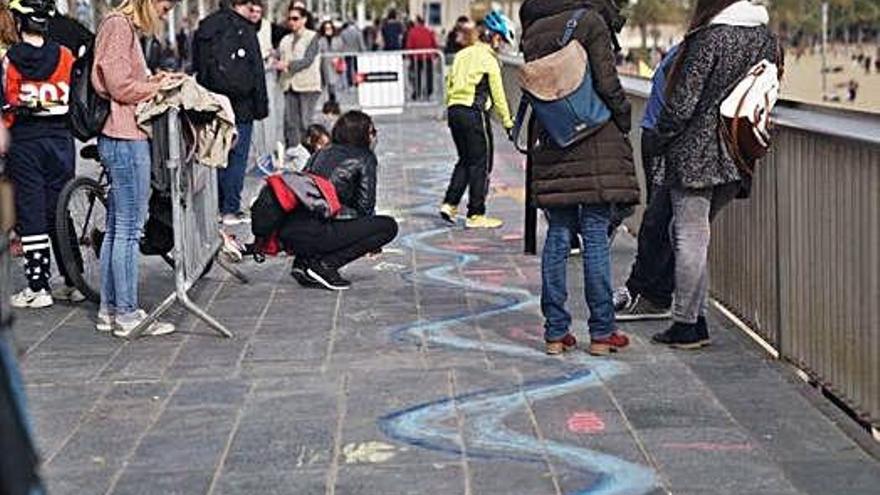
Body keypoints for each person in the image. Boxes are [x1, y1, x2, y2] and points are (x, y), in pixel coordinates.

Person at [646, 0, 780, 349]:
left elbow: (682, 104)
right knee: (693, 234)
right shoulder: (766, 39)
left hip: (695, 154)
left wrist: (659, 138)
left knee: (689, 235)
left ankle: (687, 324)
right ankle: (696, 317)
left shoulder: (708, 38)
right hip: (737, 152)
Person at [520, 0, 639, 356]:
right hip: (594, 137)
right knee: (594, 234)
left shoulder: (534, 29)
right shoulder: (589, 21)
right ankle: (602, 331)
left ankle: (555, 332)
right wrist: (622, 118)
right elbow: (607, 82)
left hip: (553, 139)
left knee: (558, 233)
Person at [92, 0, 179, 337]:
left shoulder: (119, 25)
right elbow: (119, 85)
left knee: (118, 228)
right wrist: (158, 88)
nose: (164, 13)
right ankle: (127, 313)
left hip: (121, 135)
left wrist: (151, 79)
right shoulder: (118, 25)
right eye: (164, 6)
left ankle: (110, 309)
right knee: (128, 230)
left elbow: (124, 79)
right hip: (124, 136)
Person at [4, 0, 82, 309]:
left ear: (20, 22)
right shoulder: (65, 55)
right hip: (61, 140)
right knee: (59, 208)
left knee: (31, 211)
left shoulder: (8, 60)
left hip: (24, 141)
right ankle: (74, 279)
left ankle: (38, 285)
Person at [281, 111, 398, 290]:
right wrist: (370, 239)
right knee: (387, 226)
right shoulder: (365, 158)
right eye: (372, 132)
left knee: (327, 217)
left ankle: (304, 262)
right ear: (363, 135)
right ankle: (325, 265)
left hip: (291, 230)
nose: (375, 137)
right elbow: (365, 208)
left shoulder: (321, 152)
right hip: (318, 231)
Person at [612, 44, 680, 321]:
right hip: (659, 135)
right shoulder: (691, 47)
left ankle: (649, 292)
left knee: (659, 220)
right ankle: (652, 292)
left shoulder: (692, 46)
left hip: (661, 136)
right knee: (660, 219)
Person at [193, 0, 268, 226]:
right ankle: (230, 208)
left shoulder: (206, 26)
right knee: (237, 158)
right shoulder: (244, 29)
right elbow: (256, 70)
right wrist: (261, 106)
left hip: (213, 102)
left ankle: (215, 206)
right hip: (242, 105)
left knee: (217, 156)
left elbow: (196, 64)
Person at [438, 11, 514, 229]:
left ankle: (450, 203)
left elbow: (449, 82)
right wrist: (508, 123)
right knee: (482, 162)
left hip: (455, 111)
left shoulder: (462, 54)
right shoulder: (489, 59)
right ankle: (476, 213)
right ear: (495, 37)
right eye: (503, 41)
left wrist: (448, 109)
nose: (502, 47)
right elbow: (498, 95)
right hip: (474, 113)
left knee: (465, 159)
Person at [276, 6, 321, 150]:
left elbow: (307, 60)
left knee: (305, 123)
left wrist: (287, 65)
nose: (291, 22)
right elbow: (278, 56)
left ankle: (310, 153)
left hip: (308, 86)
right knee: (290, 123)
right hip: (289, 85)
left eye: (295, 18)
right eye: (289, 19)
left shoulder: (312, 37)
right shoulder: (285, 39)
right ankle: (292, 153)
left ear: (304, 20)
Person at [404, 16, 438, 101]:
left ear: (417, 22)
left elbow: (409, 45)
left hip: (416, 57)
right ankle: (429, 92)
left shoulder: (412, 32)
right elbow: (434, 43)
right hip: (428, 56)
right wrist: (435, 54)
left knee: (416, 76)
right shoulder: (429, 31)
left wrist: (408, 56)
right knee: (429, 75)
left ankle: (417, 92)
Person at [317, 20, 342, 103]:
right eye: (326, 28)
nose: (328, 30)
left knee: (335, 84)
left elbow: (341, 50)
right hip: (325, 65)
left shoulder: (337, 39)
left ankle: (335, 101)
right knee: (328, 84)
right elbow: (319, 51)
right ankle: (329, 102)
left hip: (336, 64)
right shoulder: (321, 40)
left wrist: (338, 57)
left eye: (330, 28)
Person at [338, 20, 365, 87]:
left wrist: (341, 52)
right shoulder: (358, 32)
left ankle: (349, 82)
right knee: (357, 68)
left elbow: (341, 44)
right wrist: (363, 51)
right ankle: (357, 81)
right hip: (357, 52)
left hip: (347, 52)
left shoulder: (343, 33)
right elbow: (361, 43)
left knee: (348, 68)